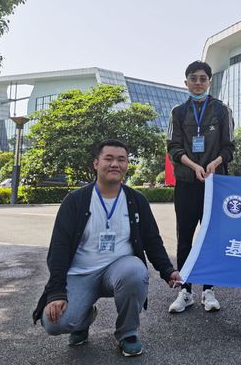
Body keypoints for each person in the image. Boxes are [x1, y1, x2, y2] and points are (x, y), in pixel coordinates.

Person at [32, 139, 181, 357]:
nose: (115, 164)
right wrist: (56, 292)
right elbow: (59, 249)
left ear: (127, 165)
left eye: (121, 159)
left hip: (119, 271)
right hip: (81, 273)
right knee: (54, 323)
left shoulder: (136, 200)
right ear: (96, 163)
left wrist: (167, 270)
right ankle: (83, 318)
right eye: (108, 159)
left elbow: (152, 240)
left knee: (135, 271)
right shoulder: (75, 201)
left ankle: (127, 333)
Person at [167, 60, 234, 313]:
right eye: (193, 78)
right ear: (185, 82)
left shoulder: (222, 110)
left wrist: (214, 163)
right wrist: (194, 166)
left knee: (211, 238)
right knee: (185, 238)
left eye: (203, 78)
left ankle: (208, 290)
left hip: (214, 185)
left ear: (209, 82)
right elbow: (173, 147)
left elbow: (229, 148)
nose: (198, 82)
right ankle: (185, 291)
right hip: (186, 182)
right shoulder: (178, 112)